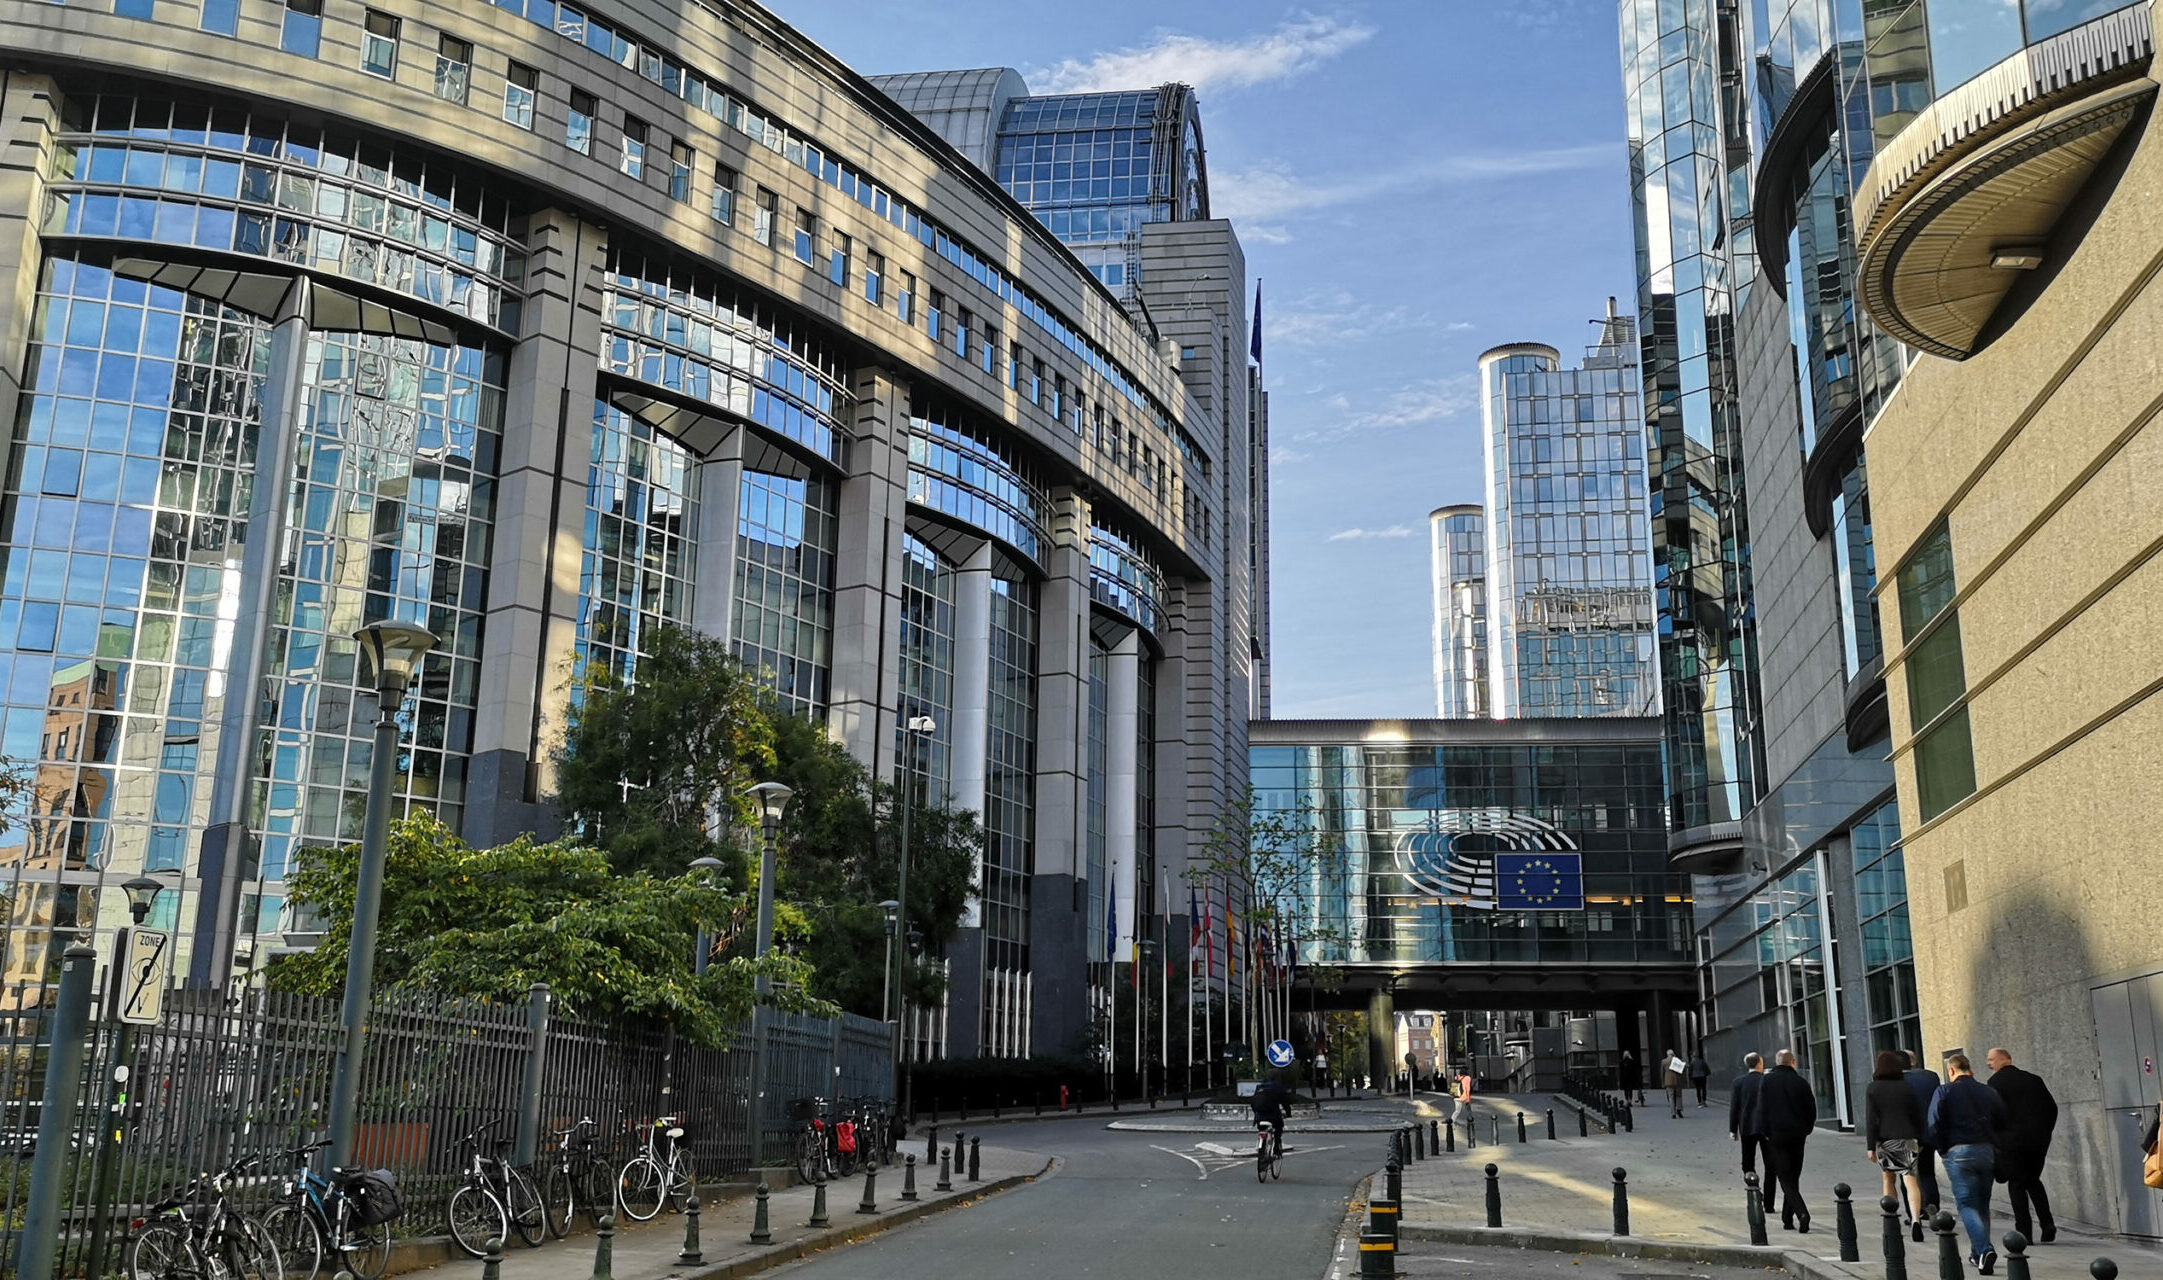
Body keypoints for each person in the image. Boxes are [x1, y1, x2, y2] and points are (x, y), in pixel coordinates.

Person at [1929, 1053, 2008, 1274]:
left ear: (1951, 1071)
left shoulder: (1944, 1091)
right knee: (1982, 1204)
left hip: (1958, 1150)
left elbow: (1933, 1123)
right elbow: (2002, 1119)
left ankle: (1984, 1249)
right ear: (1969, 1068)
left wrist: (1942, 1148)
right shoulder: (1988, 1091)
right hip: (1986, 1150)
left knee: (1966, 1204)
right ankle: (1978, 1255)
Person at [1986, 1048, 2059, 1244]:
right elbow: (2051, 1108)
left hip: (2011, 1143)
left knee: (2017, 1184)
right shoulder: (2033, 1079)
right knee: (2033, 1180)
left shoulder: (1995, 1083)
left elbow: (1992, 1114)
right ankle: (2047, 1223)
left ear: (2005, 1059)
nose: (1988, 1063)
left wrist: (1997, 1137)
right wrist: (2044, 1132)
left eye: (1991, 1059)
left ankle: (2024, 1231)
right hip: (2038, 1142)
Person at [1865, 1049, 1928, 1240]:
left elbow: (1871, 1119)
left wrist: (1870, 1146)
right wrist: (1920, 1138)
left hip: (1887, 1139)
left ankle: (1891, 1217)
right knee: (1911, 1180)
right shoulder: (1906, 1087)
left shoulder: (1873, 1088)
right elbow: (1916, 1115)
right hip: (1908, 1138)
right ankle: (1916, 1219)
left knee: (1888, 1179)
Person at [1758, 1048, 1818, 1232]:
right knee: (1793, 1175)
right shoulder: (1800, 1082)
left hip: (1776, 1135)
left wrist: (1765, 1131)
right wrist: (1806, 1129)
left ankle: (1801, 1213)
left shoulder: (1767, 1081)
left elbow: (1762, 1108)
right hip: (1798, 1135)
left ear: (1777, 1062)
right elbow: (1811, 1109)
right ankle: (1787, 1219)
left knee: (1784, 1177)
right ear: (1793, 1062)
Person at [1902, 1050, 1944, 1223]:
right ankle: (1933, 1206)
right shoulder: (1931, 1077)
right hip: (1928, 1132)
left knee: (1907, 1175)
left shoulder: (1897, 1080)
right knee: (1928, 1173)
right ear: (1914, 1061)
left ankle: (1915, 1212)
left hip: (1907, 1135)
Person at [1729, 1052, 1767, 1178]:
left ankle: (1752, 1185)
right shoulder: (1766, 1080)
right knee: (1770, 1162)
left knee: (1747, 1160)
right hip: (1765, 1126)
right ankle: (1769, 1194)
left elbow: (1734, 1107)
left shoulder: (1738, 1082)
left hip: (1746, 1126)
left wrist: (1732, 1130)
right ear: (1759, 1063)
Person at [1250, 1077, 1296, 1159]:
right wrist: (1288, 1114)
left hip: (1259, 1117)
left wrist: (1256, 1114)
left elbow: (1253, 1102)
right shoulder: (1278, 1087)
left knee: (1261, 1129)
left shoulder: (1260, 1087)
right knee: (1279, 1128)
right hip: (1273, 1116)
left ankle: (1260, 1145)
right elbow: (1285, 1103)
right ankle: (1276, 1150)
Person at [1663, 1048, 1688, 1119]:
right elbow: (1682, 1070)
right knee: (1678, 1096)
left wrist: (1663, 1082)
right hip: (1677, 1081)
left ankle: (1673, 1113)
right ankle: (1679, 1109)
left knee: (1671, 1097)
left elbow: (1662, 1072)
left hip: (1668, 1082)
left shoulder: (1664, 1061)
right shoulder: (1677, 1060)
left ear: (1667, 1054)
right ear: (1673, 1054)